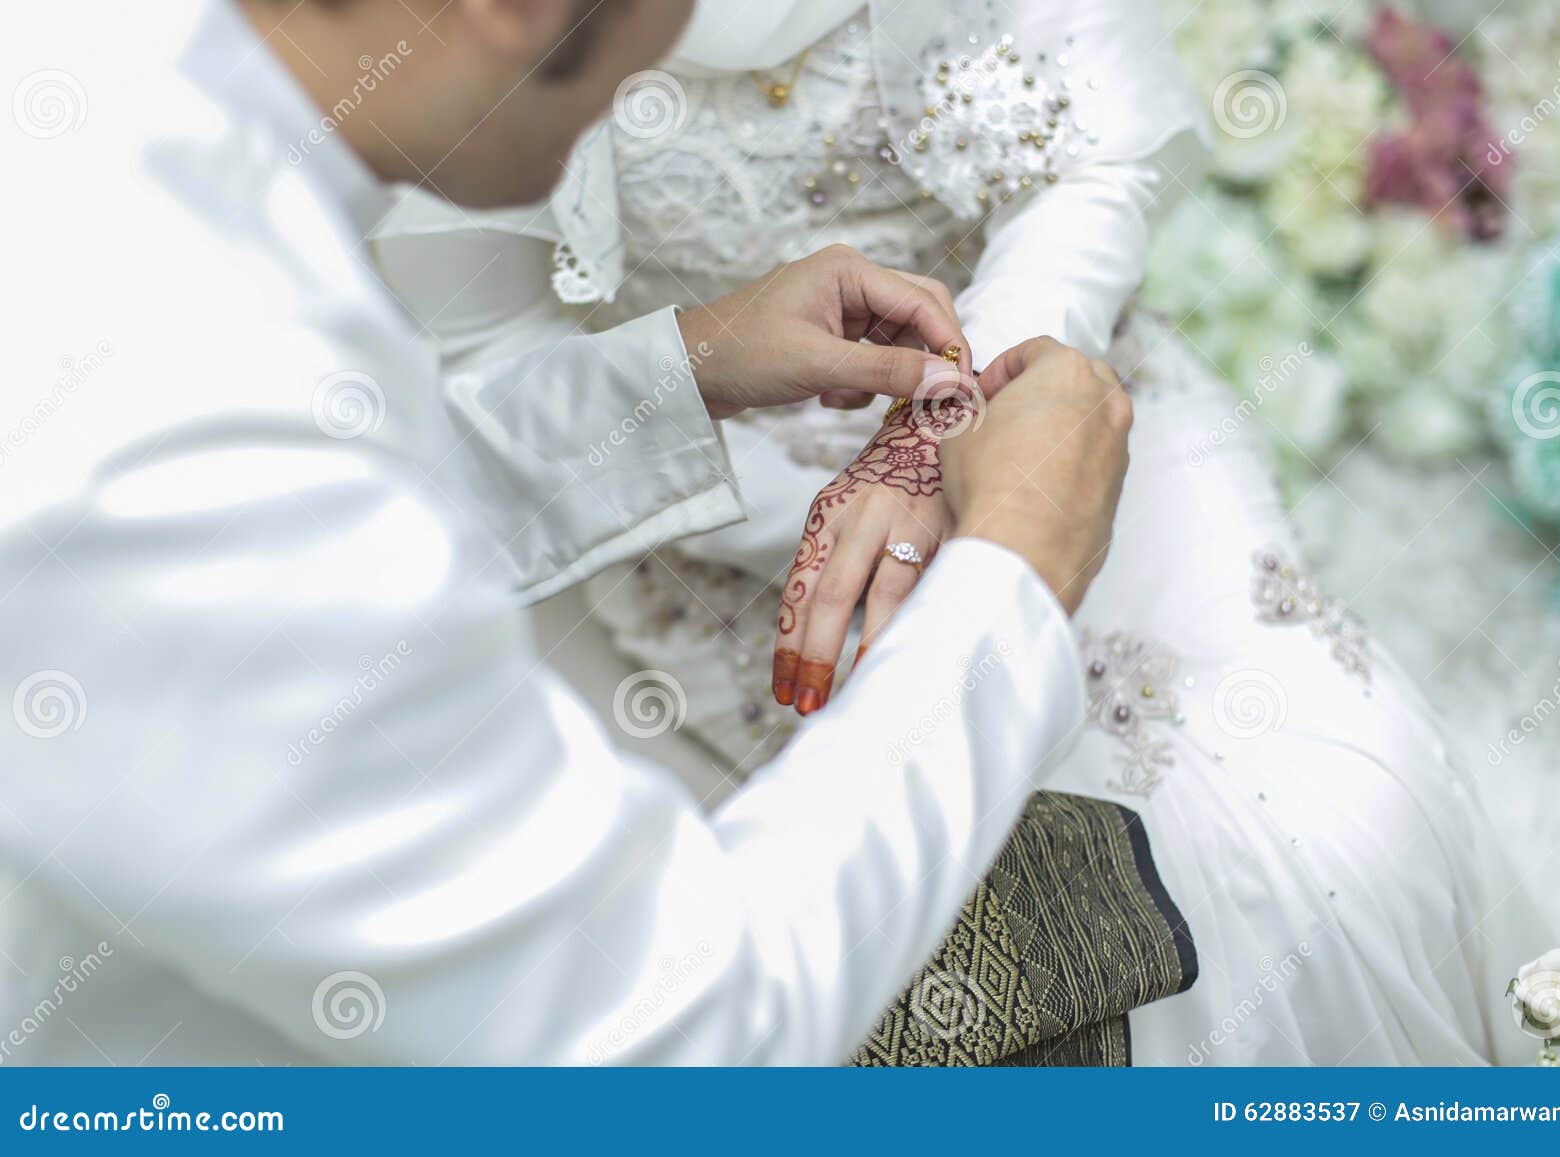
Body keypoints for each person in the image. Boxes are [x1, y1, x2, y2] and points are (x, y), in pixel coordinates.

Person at [374, 0, 1554, 1063]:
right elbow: (486, 352)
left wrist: (946, 441)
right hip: (716, 514)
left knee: (1353, 798)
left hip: (1063, 369)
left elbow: (1096, 161)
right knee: (1047, 925)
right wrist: (801, 497)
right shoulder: (463, 41)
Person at [0, 0, 1135, 1065]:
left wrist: (680, 366)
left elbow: (348, 513)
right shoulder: (178, 443)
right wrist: (1016, 565)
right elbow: (679, 1035)